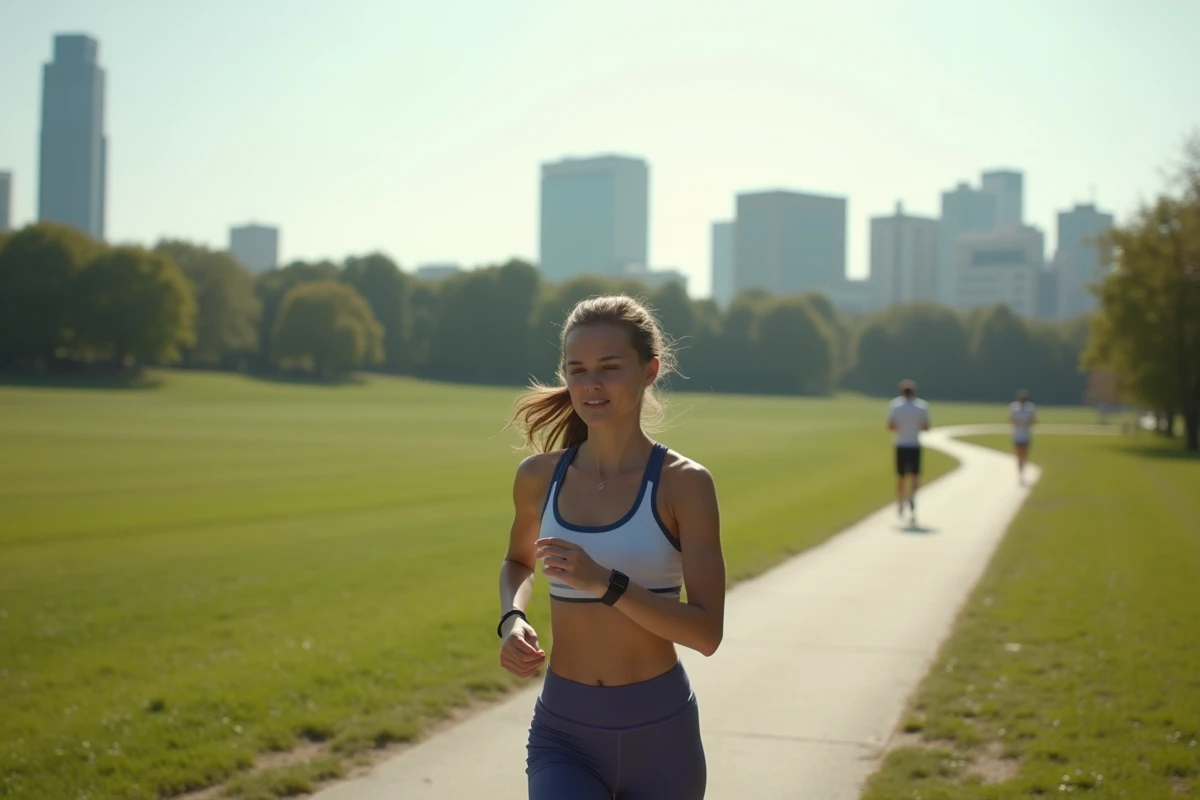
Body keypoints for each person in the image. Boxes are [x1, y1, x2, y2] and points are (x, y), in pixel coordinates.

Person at [497, 294, 726, 800]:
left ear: (650, 370)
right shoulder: (539, 477)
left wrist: (606, 583)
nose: (591, 383)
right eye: (577, 370)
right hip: (564, 732)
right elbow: (518, 562)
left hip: (661, 737)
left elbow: (707, 633)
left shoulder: (684, 484)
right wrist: (512, 618)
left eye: (609, 367)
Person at [887, 379, 931, 524]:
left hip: (901, 444)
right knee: (915, 476)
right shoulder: (922, 406)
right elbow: (926, 427)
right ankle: (911, 498)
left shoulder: (895, 406)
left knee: (900, 476)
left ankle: (900, 501)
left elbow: (891, 426)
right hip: (914, 444)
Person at [1009, 389, 1037, 485]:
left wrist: (1025, 423)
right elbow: (1011, 419)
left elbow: (1033, 420)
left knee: (1024, 455)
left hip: (1026, 435)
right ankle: (1020, 471)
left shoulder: (1030, 408)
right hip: (1017, 435)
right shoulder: (1014, 407)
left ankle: (1022, 470)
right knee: (1018, 455)